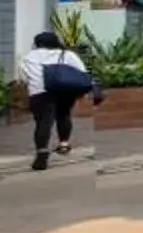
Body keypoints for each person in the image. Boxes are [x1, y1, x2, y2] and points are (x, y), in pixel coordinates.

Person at [22, 28, 101, 171]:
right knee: (63, 114)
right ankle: (64, 143)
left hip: (39, 92)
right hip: (64, 89)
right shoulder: (67, 54)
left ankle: (42, 150)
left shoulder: (29, 57)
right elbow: (82, 71)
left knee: (43, 121)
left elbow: (23, 76)